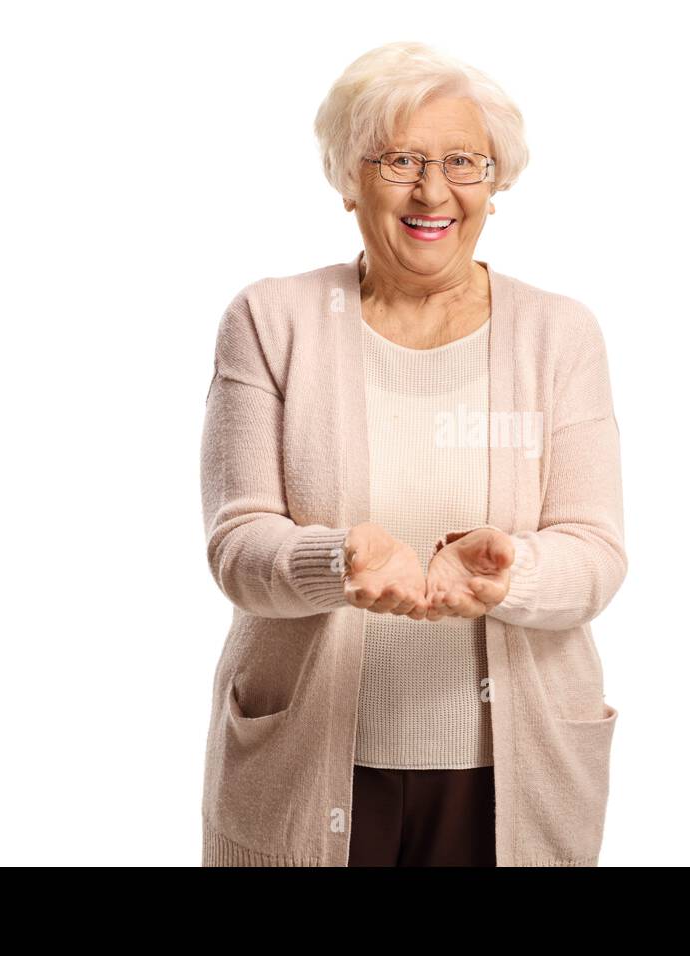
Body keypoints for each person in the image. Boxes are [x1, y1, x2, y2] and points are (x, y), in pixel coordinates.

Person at [199, 40, 627, 867]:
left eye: (464, 161)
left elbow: (598, 552)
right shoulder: (269, 321)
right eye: (400, 159)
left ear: (496, 185)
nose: (434, 191)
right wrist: (338, 558)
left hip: (508, 774)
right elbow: (237, 544)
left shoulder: (559, 334)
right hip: (307, 761)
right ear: (348, 177)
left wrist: (516, 573)